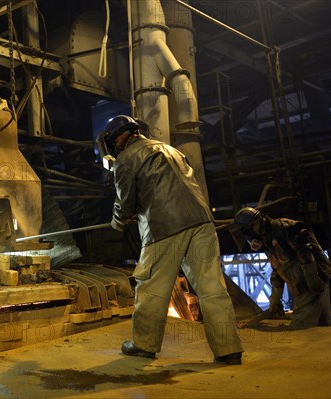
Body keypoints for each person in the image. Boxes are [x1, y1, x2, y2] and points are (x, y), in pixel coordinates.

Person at [96, 115, 244, 365]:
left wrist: (117, 222)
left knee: (151, 287)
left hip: (164, 227)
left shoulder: (126, 159)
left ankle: (143, 344)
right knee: (212, 289)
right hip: (202, 222)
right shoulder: (171, 149)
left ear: (118, 138)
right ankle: (229, 349)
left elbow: (125, 203)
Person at [232, 207, 331, 329]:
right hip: (306, 283)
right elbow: (277, 270)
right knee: (321, 327)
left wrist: (312, 278)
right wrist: (275, 301)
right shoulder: (267, 240)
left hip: (312, 281)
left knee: (299, 329)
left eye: (247, 232)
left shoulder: (282, 227)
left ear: (255, 223)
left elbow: (305, 251)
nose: (249, 238)